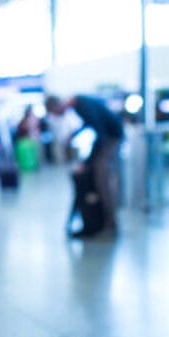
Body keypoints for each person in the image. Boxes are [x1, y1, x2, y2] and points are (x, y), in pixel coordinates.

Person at [46, 93, 124, 237]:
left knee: (102, 180)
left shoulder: (83, 106)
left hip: (112, 139)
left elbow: (100, 136)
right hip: (109, 137)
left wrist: (87, 162)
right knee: (96, 174)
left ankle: (110, 224)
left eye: (56, 113)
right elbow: (89, 124)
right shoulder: (79, 104)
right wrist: (74, 134)